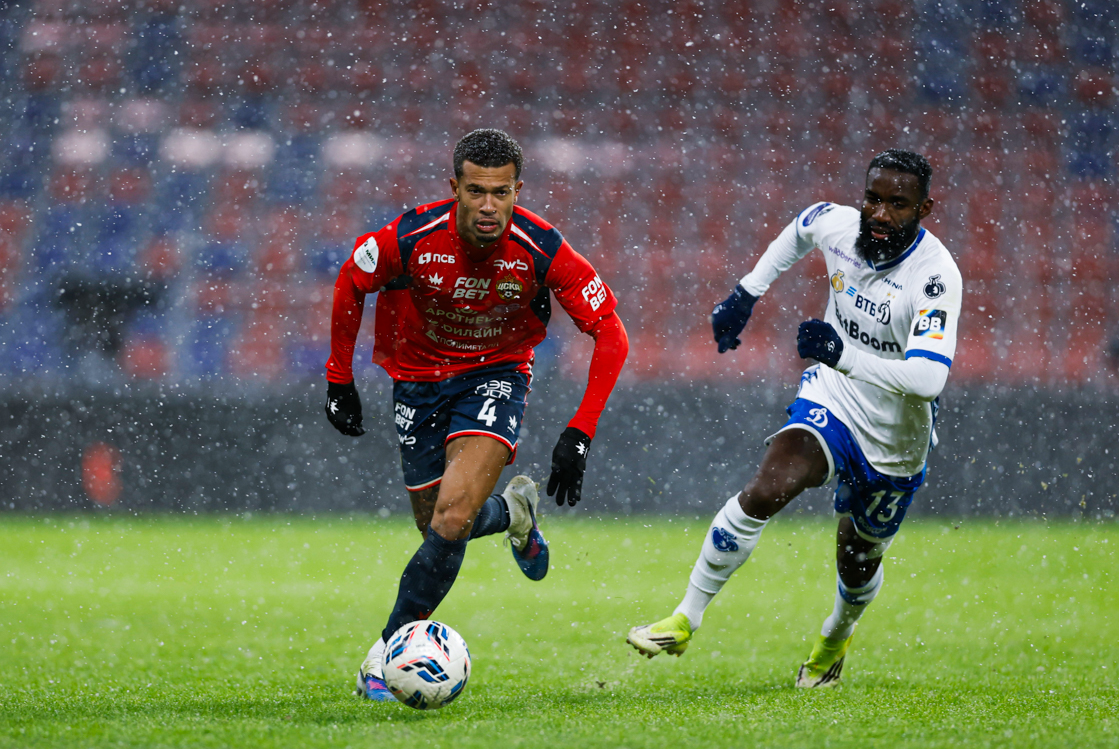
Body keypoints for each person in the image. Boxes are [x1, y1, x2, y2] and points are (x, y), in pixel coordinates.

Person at [626, 149, 961, 688]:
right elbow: (803, 225)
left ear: (924, 208)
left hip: (896, 435)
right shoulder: (840, 226)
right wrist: (746, 293)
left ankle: (834, 637)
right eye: (873, 199)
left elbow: (928, 379)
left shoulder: (936, 276)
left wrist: (842, 353)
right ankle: (685, 619)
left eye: (897, 204)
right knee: (768, 486)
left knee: (858, 556)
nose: (879, 214)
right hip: (833, 396)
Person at [325, 129, 628, 701]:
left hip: (496, 375)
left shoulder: (543, 247)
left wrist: (580, 430)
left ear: (518, 191)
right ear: (455, 188)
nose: (489, 206)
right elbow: (351, 280)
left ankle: (382, 657)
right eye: (476, 191)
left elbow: (610, 332)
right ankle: (514, 513)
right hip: (417, 382)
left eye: (501, 192)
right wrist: (339, 377)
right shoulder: (411, 236)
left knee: (451, 518)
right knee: (439, 527)